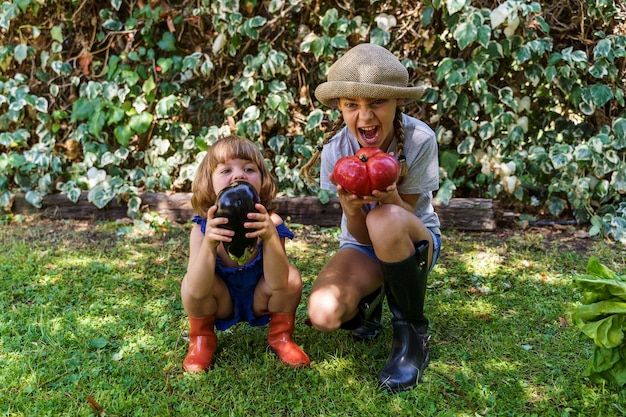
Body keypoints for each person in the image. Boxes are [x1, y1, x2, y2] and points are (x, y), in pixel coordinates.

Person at [302, 43, 442, 392]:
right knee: (323, 314)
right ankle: (372, 301)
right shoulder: (336, 152)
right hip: (364, 243)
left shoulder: (419, 139)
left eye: (376, 102)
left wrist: (389, 195)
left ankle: (411, 335)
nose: (364, 117)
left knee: (386, 219)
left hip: (414, 241)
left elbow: (401, 215)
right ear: (340, 107)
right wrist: (351, 209)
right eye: (352, 105)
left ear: (397, 102)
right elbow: (361, 238)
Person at [181, 134, 310, 371]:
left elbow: (280, 282)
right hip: (222, 302)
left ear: (262, 181)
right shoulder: (201, 230)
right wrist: (210, 243)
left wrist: (270, 236)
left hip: (260, 298)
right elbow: (197, 290)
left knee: (292, 276)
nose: (239, 175)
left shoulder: (272, 222)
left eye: (249, 169)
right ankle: (202, 340)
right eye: (226, 170)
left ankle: (281, 336)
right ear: (210, 187)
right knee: (188, 284)